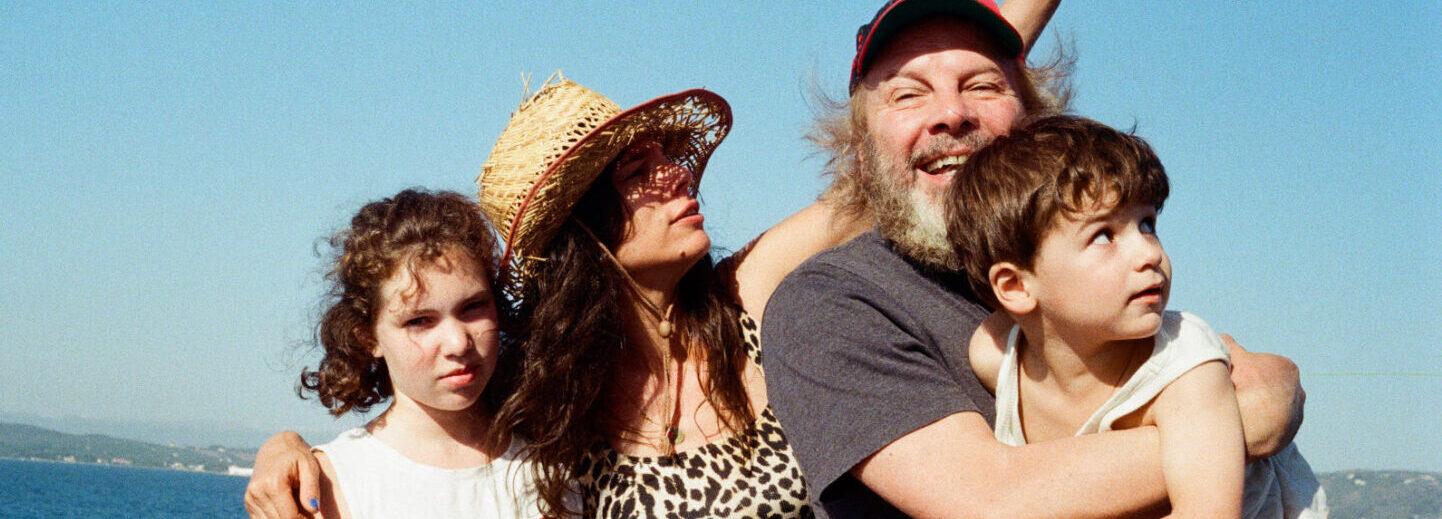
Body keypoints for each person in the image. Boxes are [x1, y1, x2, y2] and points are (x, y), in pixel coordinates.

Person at [242, 4, 1063, 517]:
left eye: (671, 157)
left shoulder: (748, 296)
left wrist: (971, 60)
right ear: (586, 227)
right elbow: (425, 420)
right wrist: (289, 452)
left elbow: (887, 155)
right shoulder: (549, 390)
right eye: (639, 172)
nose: (676, 175)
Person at [761, 1, 1308, 517]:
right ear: (860, 156)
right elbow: (988, 500)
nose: (951, 114)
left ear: (1034, 125)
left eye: (983, 85)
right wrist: (1236, 424)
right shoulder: (830, 302)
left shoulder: (1091, 275)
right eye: (908, 95)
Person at [947, 115, 1327, 518]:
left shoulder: (1183, 370)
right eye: (1103, 235)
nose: (1150, 253)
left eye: (1147, 224)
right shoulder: (995, 354)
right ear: (1015, 287)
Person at [267, 189, 542, 519]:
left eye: (472, 307)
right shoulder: (334, 484)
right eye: (420, 321)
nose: (458, 343)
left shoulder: (560, 461)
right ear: (369, 338)